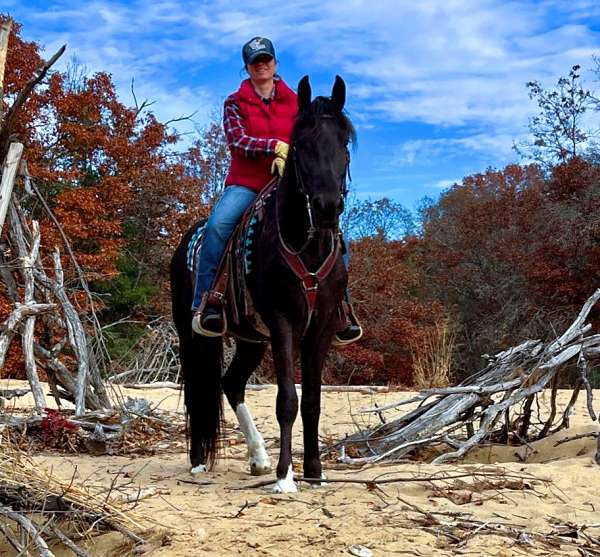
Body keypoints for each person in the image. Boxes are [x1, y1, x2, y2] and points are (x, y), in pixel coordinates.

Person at [191, 37, 362, 345]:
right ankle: (208, 301)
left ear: (275, 63)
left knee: (338, 239)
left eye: (267, 60)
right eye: (256, 62)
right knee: (218, 227)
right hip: (246, 182)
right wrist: (274, 147)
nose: (262, 66)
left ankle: (341, 308)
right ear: (247, 68)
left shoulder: (296, 101)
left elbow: (311, 140)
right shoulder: (235, 102)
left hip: (287, 185)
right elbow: (237, 141)